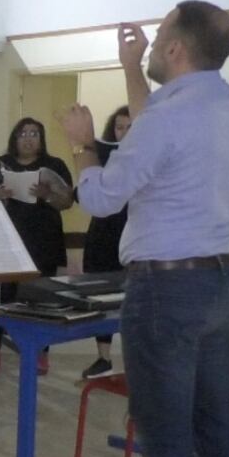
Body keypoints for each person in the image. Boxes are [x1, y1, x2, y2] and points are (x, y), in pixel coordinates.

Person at [60, 1, 229, 457]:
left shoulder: (168, 119)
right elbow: (162, 133)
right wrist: (129, 69)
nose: (149, 45)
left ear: (176, 48)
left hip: (167, 292)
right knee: (218, 435)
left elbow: (102, 197)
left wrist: (80, 147)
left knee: (168, 442)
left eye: (158, 39)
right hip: (224, 285)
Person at [0, 117, 73, 375]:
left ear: (41, 139)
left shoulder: (54, 165)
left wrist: (47, 195)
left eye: (34, 133)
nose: (29, 138)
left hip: (44, 239)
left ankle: (41, 353)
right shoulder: (0, 165)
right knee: (4, 297)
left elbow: (66, 201)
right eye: (23, 133)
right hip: (8, 237)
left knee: (43, 297)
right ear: (15, 138)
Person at [79, 106, 133, 379]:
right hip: (102, 232)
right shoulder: (101, 156)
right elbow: (85, 194)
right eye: (119, 127)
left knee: (131, 295)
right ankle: (103, 357)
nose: (123, 133)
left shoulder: (144, 157)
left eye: (129, 128)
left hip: (131, 230)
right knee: (99, 293)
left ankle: (135, 358)